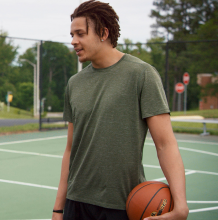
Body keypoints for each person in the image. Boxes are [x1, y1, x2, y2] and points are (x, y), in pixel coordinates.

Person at [52, 1, 189, 220]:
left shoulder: (142, 74)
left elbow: (165, 144)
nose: (73, 41)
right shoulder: (74, 83)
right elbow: (70, 149)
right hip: (76, 204)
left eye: (80, 34)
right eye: (72, 34)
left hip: (123, 205)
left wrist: (181, 205)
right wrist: (58, 209)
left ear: (104, 33)